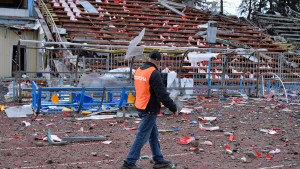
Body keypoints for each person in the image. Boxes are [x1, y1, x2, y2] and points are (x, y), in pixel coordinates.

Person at [121, 51, 178, 169]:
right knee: (142, 136)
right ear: (158, 60)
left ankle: (158, 159)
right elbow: (162, 94)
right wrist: (173, 108)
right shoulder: (154, 73)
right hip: (149, 108)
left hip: (140, 105)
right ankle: (129, 162)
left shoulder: (139, 70)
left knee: (153, 134)